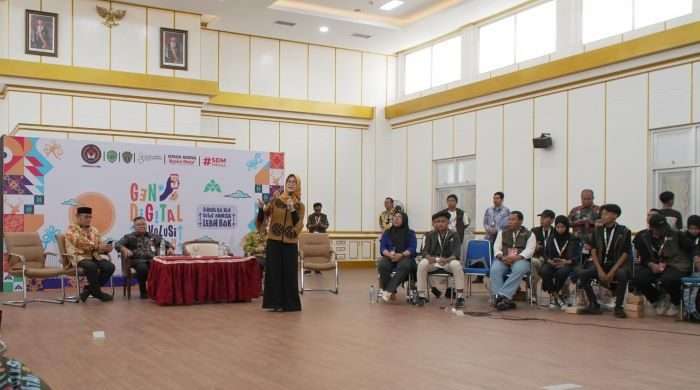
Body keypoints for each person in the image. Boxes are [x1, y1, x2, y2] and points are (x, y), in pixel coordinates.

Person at [259, 174, 305, 312]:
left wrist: (292, 209)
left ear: (297, 185)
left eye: (294, 182)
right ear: (285, 184)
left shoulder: (299, 205)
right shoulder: (276, 200)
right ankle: (275, 303)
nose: (291, 184)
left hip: (290, 243)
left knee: (289, 273)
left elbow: (299, 223)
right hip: (274, 241)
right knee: (274, 272)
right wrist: (261, 209)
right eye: (289, 181)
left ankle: (289, 304)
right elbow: (266, 215)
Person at [577, 204, 632, 318]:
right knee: (583, 274)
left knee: (622, 274)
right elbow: (593, 250)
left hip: (617, 265)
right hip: (601, 264)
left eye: (606, 213)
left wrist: (612, 272)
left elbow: (625, 254)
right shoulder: (598, 230)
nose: (603, 216)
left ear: (615, 215)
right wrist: (600, 270)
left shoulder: (624, 231)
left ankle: (618, 307)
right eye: (602, 214)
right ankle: (593, 304)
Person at [633, 214, 692, 316]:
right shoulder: (644, 237)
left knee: (668, 279)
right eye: (658, 229)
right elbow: (643, 258)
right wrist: (651, 265)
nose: (662, 231)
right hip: (655, 265)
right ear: (651, 228)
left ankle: (675, 302)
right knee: (638, 277)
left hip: (675, 265)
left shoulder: (676, 234)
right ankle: (656, 299)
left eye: (663, 227)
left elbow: (690, 248)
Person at [116, 216, 174, 299]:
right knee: (142, 267)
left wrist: (170, 248)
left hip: (151, 260)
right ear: (134, 227)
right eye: (139, 225)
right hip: (136, 260)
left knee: (160, 266)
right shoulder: (129, 237)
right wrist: (124, 248)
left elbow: (165, 242)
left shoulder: (152, 236)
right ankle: (143, 291)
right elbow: (118, 244)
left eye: (143, 224)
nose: (141, 226)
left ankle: (160, 290)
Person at [64, 207, 115, 302]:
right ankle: (98, 293)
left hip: (94, 256)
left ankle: (89, 290)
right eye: (86, 217)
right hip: (78, 257)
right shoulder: (71, 229)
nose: (88, 219)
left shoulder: (94, 230)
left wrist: (106, 248)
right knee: (92, 266)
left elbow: (99, 245)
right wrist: (98, 247)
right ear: (78, 217)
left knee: (109, 266)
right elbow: (81, 243)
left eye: (90, 217)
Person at [416, 211, 466, 308]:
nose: (440, 223)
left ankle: (460, 297)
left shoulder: (454, 235)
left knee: (456, 265)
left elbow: (456, 253)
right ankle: (421, 295)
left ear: (448, 223)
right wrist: (430, 258)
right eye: (437, 221)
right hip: (434, 262)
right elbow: (424, 251)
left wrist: (447, 260)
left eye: (443, 221)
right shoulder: (429, 235)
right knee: (422, 264)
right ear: (434, 223)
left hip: (448, 262)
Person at [490, 211, 536, 311]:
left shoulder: (529, 234)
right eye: (509, 219)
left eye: (513, 219)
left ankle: (502, 296)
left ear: (520, 221)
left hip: (520, 260)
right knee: (495, 269)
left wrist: (517, 258)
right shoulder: (502, 232)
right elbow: (496, 247)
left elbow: (530, 250)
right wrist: (502, 257)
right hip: (504, 259)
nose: (509, 222)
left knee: (519, 269)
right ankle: (503, 300)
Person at [539, 215, 580, 308]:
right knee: (544, 271)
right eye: (557, 227)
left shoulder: (573, 238)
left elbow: (577, 256)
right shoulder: (552, 237)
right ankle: (556, 296)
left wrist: (566, 262)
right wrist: (549, 261)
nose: (560, 229)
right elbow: (545, 253)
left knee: (562, 272)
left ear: (567, 227)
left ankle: (555, 297)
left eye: (562, 227)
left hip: (567, 263)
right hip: (552, 263)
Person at [377, 212, 417, 302]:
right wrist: (389, 255)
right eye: (394, 217)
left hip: (405, 257)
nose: (396, 218)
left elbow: (412, 248)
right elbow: (383, 247)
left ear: (404, 220)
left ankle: (388, 290)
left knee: (404, 266)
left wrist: (401, 255)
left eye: (399, 217)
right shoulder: (387, 232)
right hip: (390, 256)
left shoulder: (410, 233)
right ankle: (393, 291)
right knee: (382, 265)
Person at [531, 209, 555, 297]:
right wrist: (534, 248)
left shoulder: (556, 232)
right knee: (532, 262)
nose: (541, 219)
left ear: (552, 220)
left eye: (544, 217)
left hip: (551, 259)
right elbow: (529, 247)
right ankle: (533, 294)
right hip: (538, 258)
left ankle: (559, 295)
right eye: (541, 217)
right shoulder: (534, 231)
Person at [242, 207, 268, 272]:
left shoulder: (270, 236)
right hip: (256, 258)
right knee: (257, 262)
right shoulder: (251, 235)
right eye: (261, 222)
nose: (263, 224)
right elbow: (245, 247)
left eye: (265, 222)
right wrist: (256, 249)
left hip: (268, 259)